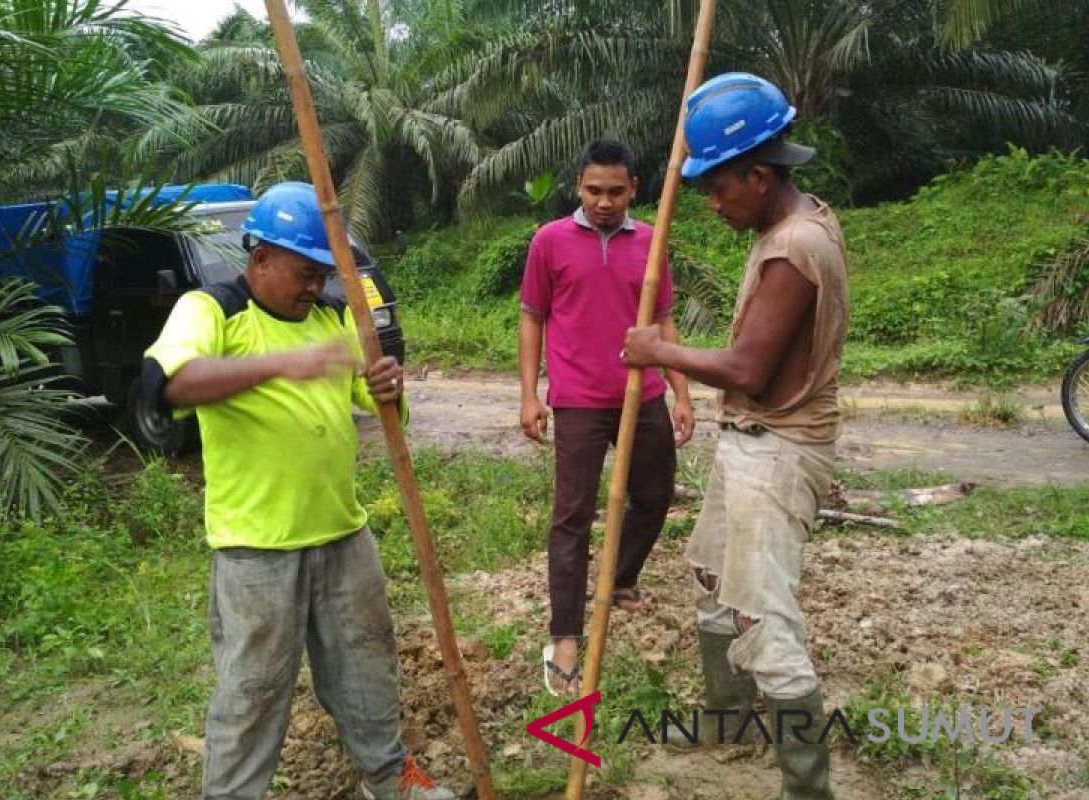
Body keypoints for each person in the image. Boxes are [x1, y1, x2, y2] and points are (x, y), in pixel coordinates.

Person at [142, 181, 454, 800]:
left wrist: (388, 386)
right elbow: (169, 386)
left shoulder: (336, 316)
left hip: (343, 532)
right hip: (257, 550)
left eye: (323, 274)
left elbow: (374, 403)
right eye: (305, 273)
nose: (316, 287)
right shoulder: (213, 310)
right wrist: (281, 364)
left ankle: (395, 779)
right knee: (253, 693)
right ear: (260, 260)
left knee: (370, 672)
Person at [622, 73, 849, 800]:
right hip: (754, 443)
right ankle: (725, 719)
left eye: (718, 189)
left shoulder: (794, 250)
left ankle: (806, 789)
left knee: (768, 624)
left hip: (778, 454)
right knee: (716, 587)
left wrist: (658, 351)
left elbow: (748, 368)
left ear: (759, 174)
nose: (713, 205)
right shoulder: (796, 224)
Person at [518, 138, 696, 696]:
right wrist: (529, 394)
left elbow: (664, 323)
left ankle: (619, 579)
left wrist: (681, 394)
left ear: (634, 190)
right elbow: (531, 318)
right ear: (578, 187)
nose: (604, 202)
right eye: (594, 190)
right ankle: (566, 632)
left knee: (657, 494)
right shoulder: (550, 242)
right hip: (576, 401)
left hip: (640, 398)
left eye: (615, 191)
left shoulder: (650, 242)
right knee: (571, 516)